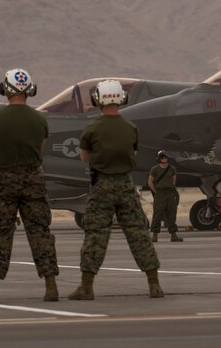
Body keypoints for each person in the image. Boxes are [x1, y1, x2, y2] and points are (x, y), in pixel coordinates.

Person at [69, 80, 163, 300]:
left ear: (98, 99)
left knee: (96, 236)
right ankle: (154, 284)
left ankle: (86, 287)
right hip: (125, 184)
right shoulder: (130, 127)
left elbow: (85, 157)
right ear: (121, 98)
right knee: (138, 233)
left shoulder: (92, 128)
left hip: (102, 185)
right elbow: (134, 154)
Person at [0, 68, 59, 304]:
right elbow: (40, 147)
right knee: (40, 231)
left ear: (5, 89)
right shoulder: (39, 119)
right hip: (33, 178)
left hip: (4, 178)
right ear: (30, 90)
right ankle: (51, 287)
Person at [148, 151, 183, 243]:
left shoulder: (172, 169)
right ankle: (154, 235)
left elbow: (173, 181)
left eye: (165, 157)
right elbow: (150, 182)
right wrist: (156, 191)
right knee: (157, 214)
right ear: (159, 158)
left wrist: (170, 189)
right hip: (160, 194)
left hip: (170, 194)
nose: (164, 158)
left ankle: (173, 235)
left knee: (172, 214)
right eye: (162, 157)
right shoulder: (154, 169)